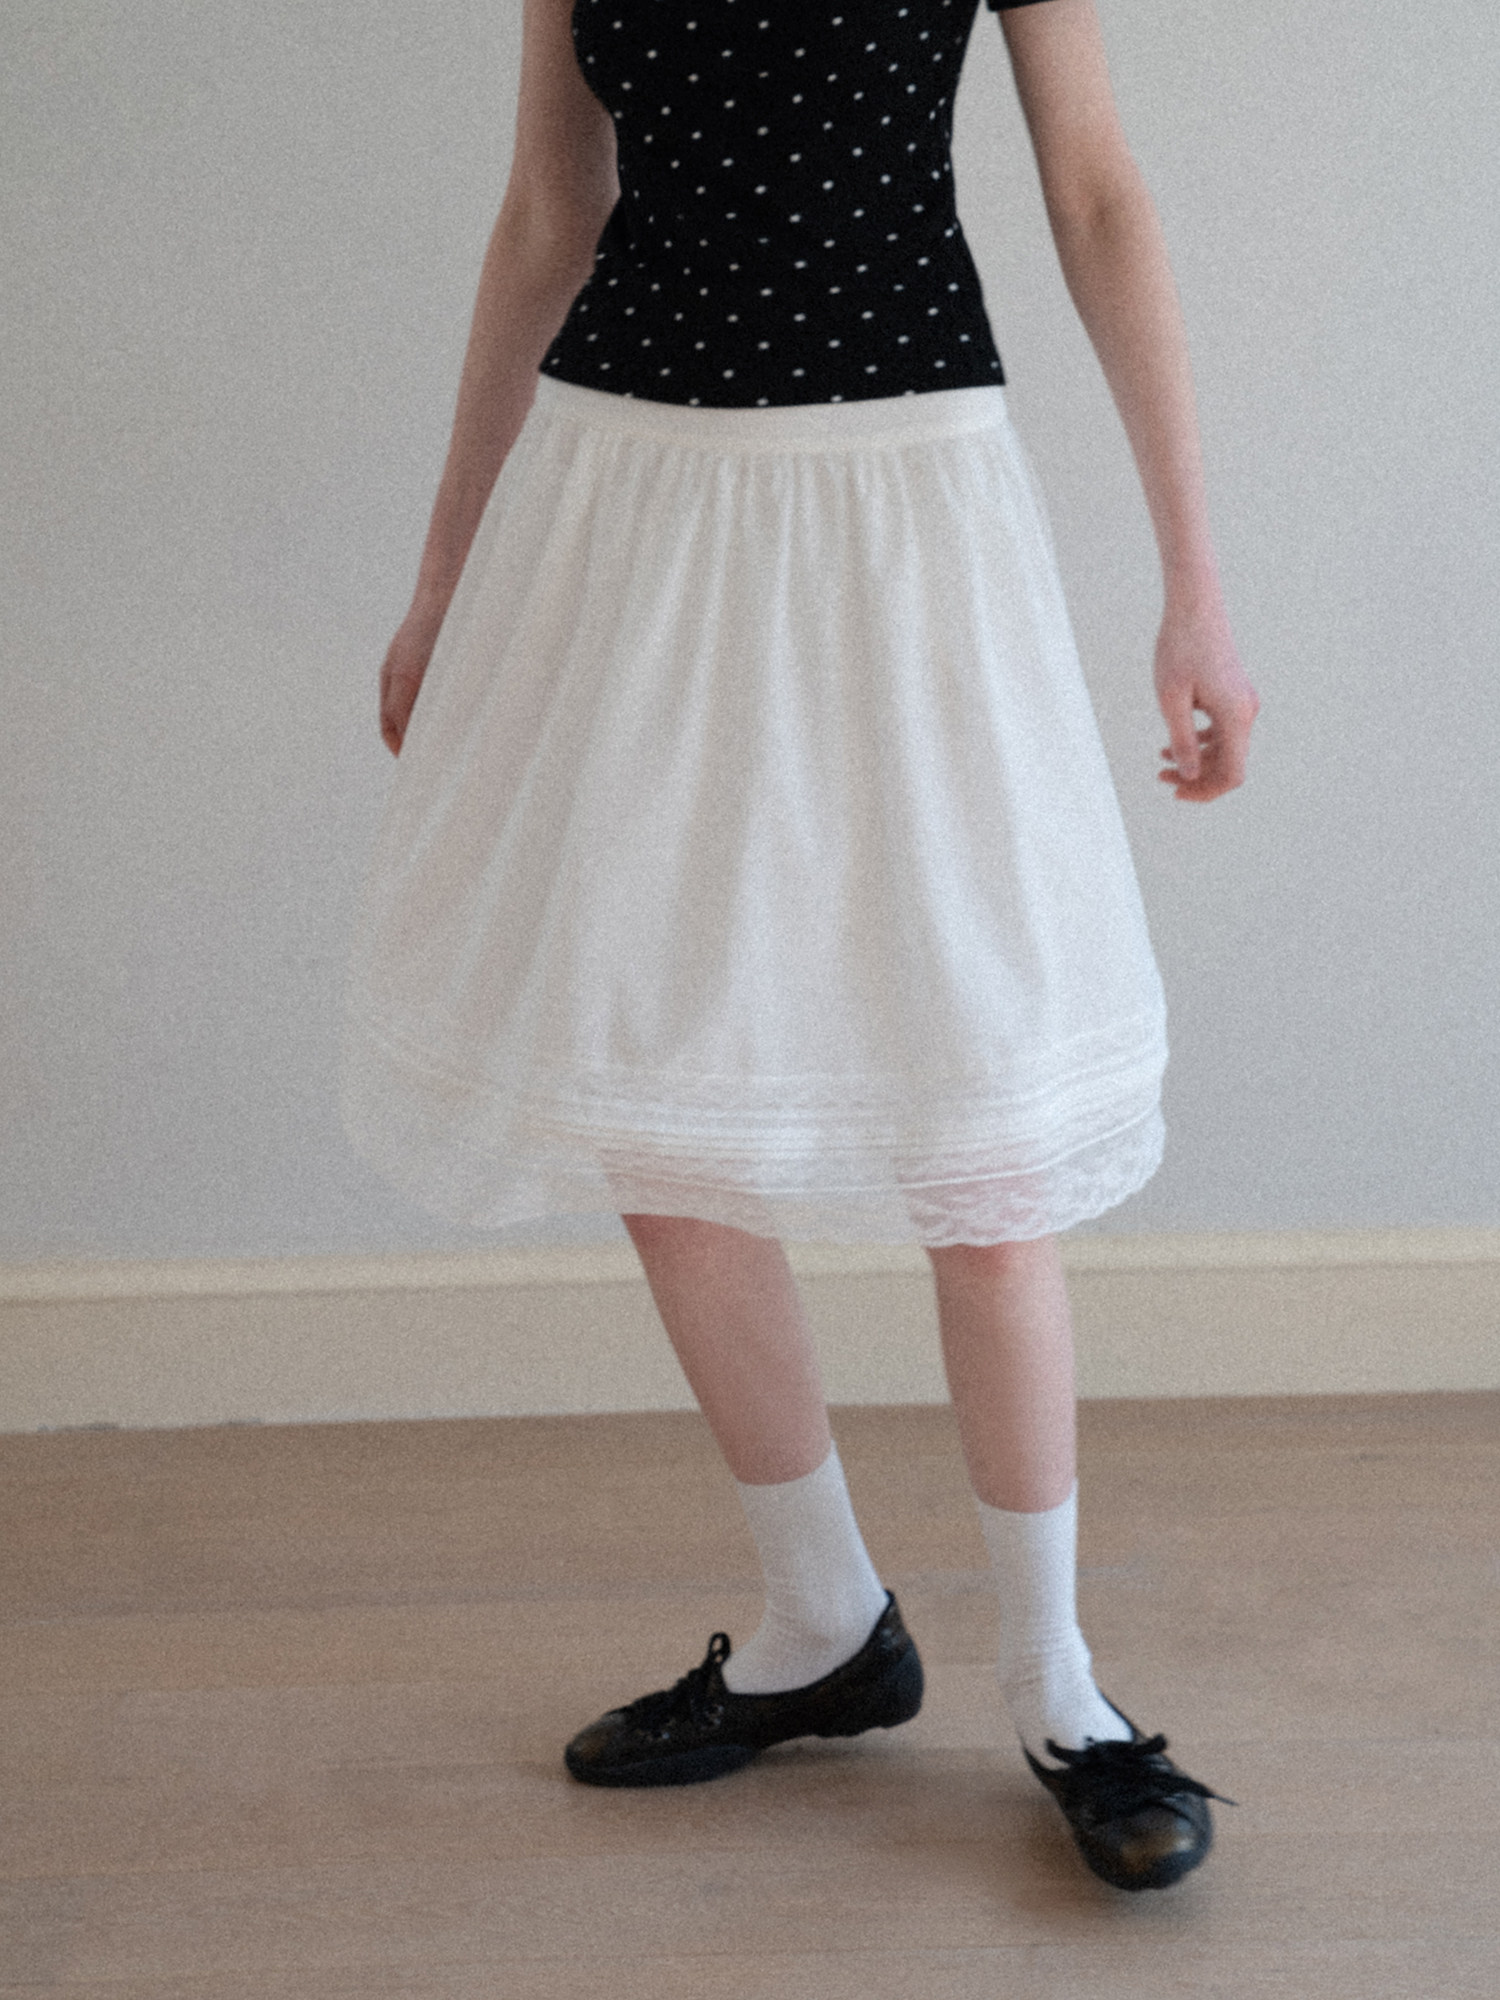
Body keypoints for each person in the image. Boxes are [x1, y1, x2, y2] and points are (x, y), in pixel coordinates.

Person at [341, 0, 1258, 1893]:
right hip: (627, 506)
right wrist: (442, 573)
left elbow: (1097, 195)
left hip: (904, 498)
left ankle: (1061, 1685)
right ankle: (823, 1618)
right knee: (654, 1103)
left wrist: (1196, 586)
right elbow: (548, 214)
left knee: (984, 1134)